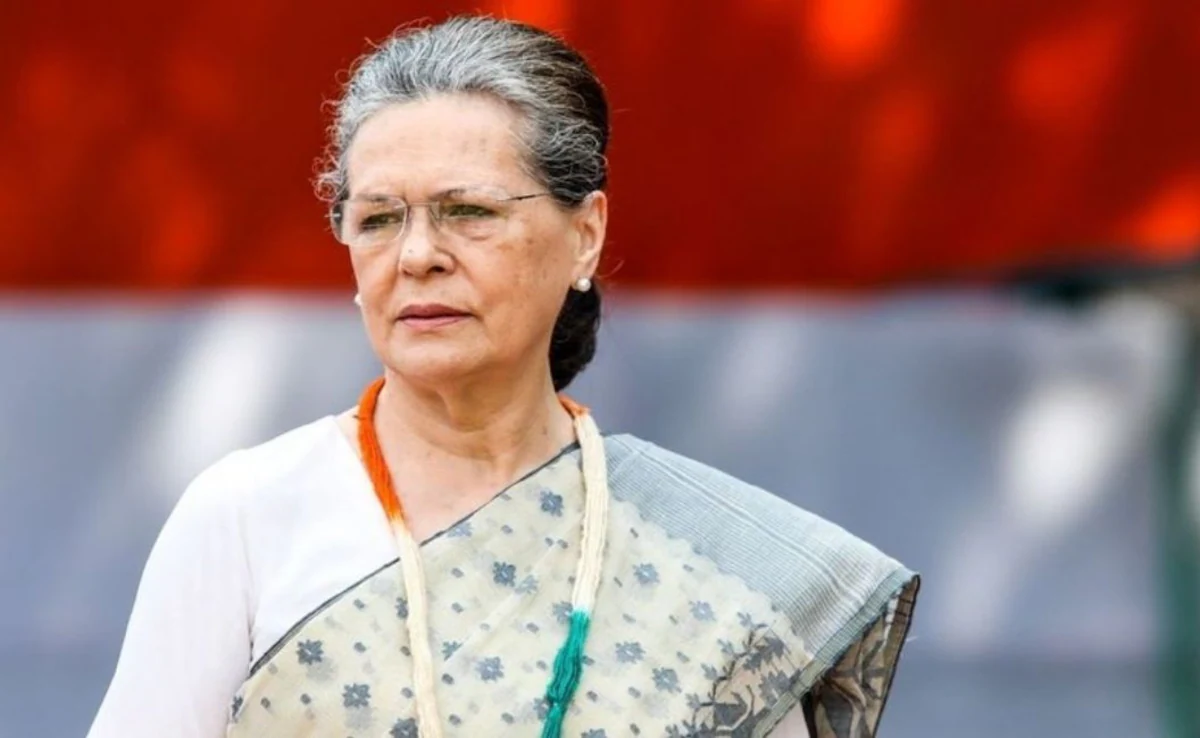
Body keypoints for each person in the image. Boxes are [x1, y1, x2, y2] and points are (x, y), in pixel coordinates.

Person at [87, 15, 918, 738]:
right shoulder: (251, 518)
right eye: (377, 219)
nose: (416, 256)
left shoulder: (716, 567)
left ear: (585, 234)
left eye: (469, 212)